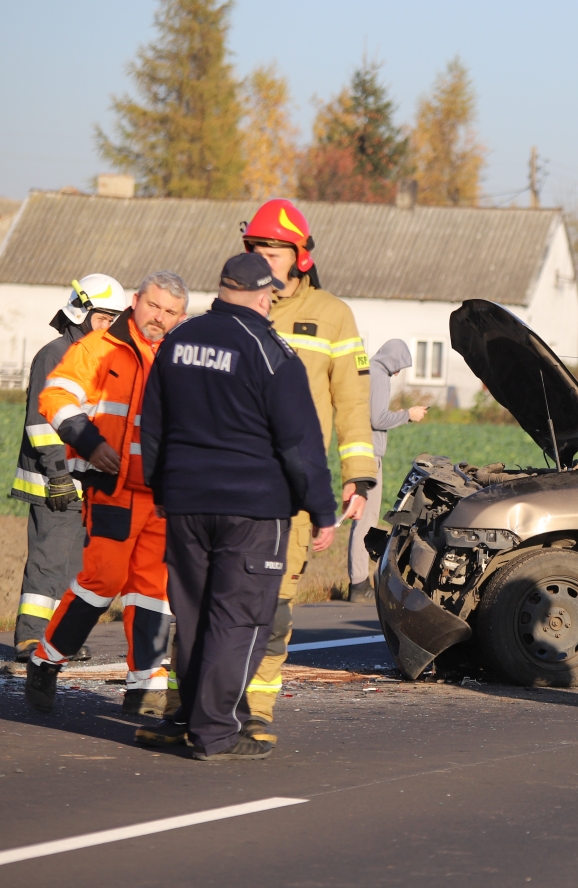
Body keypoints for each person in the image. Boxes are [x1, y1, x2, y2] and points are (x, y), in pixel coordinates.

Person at [135, 252, 337, 760]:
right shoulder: (269, 350)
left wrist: (163, 490)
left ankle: (188, 716)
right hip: (252, 510)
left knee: (195, 614)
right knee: (239, 620)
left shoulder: (178, 341)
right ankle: (216, 732)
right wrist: (321, 508)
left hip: (184, 503)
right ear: (266, 295)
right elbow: (299, 444)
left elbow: (151, 428)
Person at [240, 199, 376, 742]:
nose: (263, 259)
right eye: (255, 248)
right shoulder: (231, 309)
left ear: (299, 257)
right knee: (211, 598)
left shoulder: (333, 315)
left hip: (292, 488)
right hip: (230, 483)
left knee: (274, 605)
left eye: (273, 249)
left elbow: (352, 401)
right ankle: (188, 700)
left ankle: (257, 710)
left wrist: (357, 475)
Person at [24, 272, 189, 716]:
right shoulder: (97, 348)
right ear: (136, 301)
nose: (159, 318)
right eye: (153, 306)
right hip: (112, 491)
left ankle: (145, 689)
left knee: (153, 591)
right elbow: (56, 396)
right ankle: (46, 660)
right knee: (104, 582)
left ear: (182, 316)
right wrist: (90, 441)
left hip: (162, 497)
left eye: (170, 312)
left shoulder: (181, 356)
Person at [9, 275, 127, 663]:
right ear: (81, 311)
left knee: (73, 567)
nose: (109, 326)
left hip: (81, 482)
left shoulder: (95, 357)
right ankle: (30, 638)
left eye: (114, 319)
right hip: (52, 480)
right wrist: (58, 475)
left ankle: (55, 641)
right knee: (48, 560)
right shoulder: (55, 353)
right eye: (103, 317)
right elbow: (43, 422)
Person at [347, 340, 426, 602]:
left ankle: (358, 581)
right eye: (400, 366)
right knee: (366, 521)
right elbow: (378, 418)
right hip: (370, 456)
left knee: (362, 519)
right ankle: (358, 585)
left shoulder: (369, 371)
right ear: (393, 360)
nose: (399, 372)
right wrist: (408, 415)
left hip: (361, 452)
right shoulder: (379, 375)